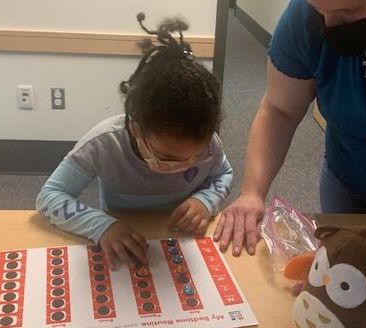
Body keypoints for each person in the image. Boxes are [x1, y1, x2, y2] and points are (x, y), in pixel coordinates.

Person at [214, 0, 366, 259]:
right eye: (318, 11)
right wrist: (252, 193)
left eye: (350, 11)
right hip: (347, 180)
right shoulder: (306, 16)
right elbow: (280, 110)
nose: (328, 26)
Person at [36, 13, 233, 269]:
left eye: (196, 156)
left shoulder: (209, 144)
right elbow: (49, 196)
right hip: (123, 231)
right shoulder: (105, 143)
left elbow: (224, 173)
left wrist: (205, 200)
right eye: (169, 158)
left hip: (177, 237)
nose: (186, 165)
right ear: (136, 128)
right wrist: (101, 226)